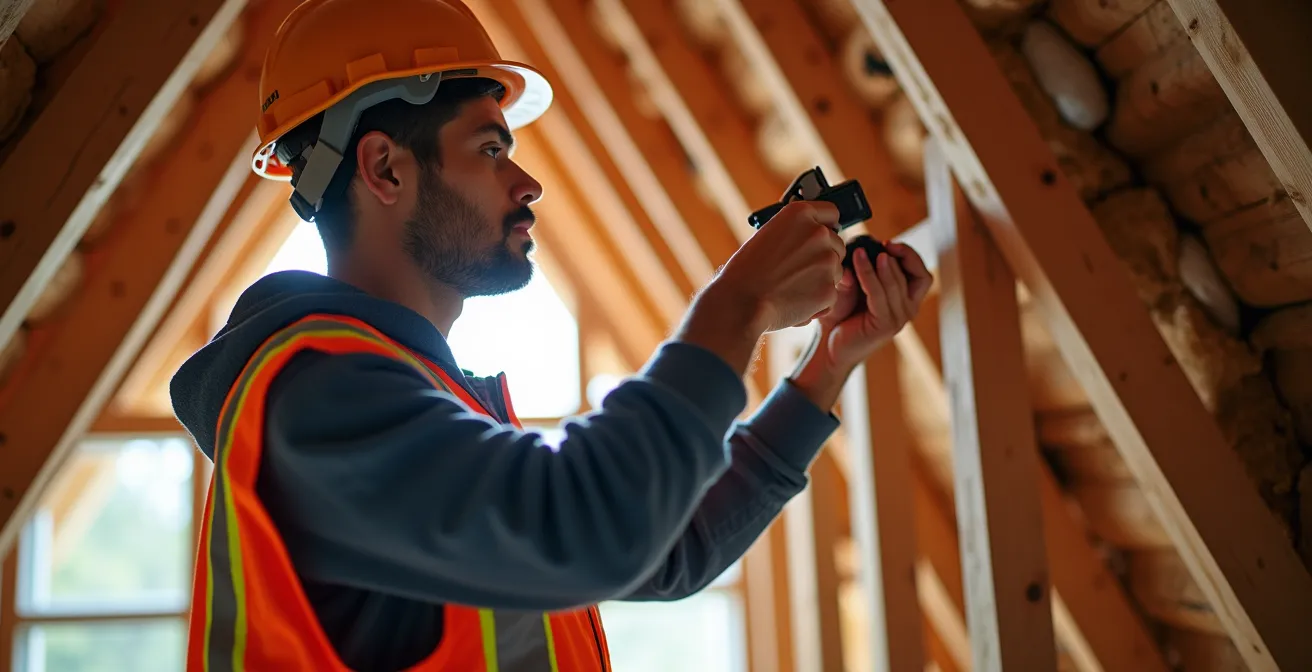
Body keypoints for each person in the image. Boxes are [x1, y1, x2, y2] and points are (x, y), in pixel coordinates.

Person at [170, 0, 932, 670]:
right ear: (385, 169)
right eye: (491, 149)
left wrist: (827, 363)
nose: (527, 183)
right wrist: (741, 300)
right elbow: (593, 525)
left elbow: (672, 547)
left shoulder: (405, 401)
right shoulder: (316, 394)